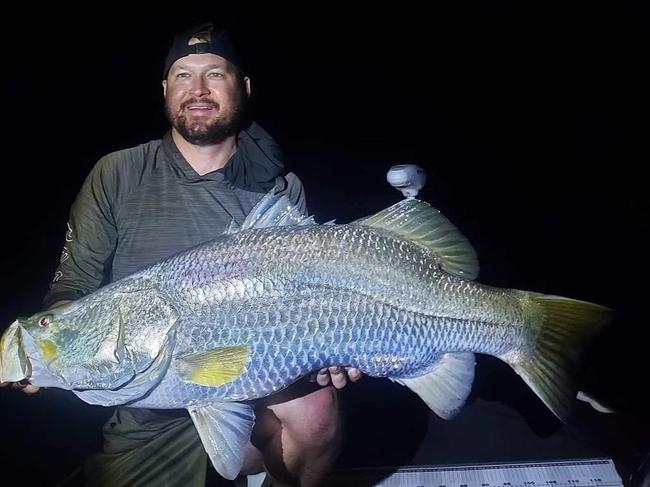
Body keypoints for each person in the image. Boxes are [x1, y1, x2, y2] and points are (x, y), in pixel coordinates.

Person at [1, 21, 362, 487]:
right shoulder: (118, 173)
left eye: (215, 73)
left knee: (316, 411)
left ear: (243, 87)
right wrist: (54, 347)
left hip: (253, 388)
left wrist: (333, 346)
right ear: (165, 90)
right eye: (183, 76)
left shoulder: (279, 188)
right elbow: (73, 287)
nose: (198, 89)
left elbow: (311, 302)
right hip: (147, 404)